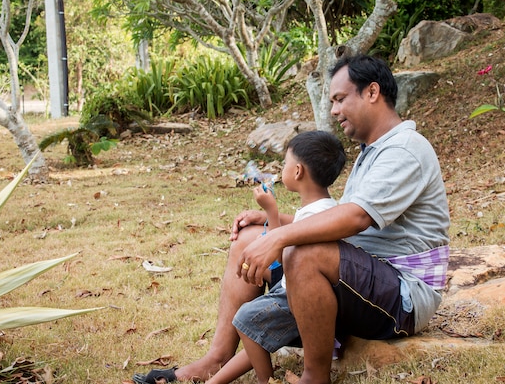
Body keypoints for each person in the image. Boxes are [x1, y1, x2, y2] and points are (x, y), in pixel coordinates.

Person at [133, 54, 450, 384]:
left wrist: (280, 236)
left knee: (301, 251)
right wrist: (274, 222)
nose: (334, 111)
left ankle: (315, 377)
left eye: (340, 99)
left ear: (372, 92)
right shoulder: (373, 150)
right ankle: (217, 357)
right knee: (250, 236)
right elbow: (334, 216)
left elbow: (356, 218)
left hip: (404, 295)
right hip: (367, 276)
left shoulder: (404, 149)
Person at [132, 130, 346, 384]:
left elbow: (279, 250)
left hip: (297, 298)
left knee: (245, 319)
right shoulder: (323, 208)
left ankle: (265, 379)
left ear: (298, 171)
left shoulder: (317, 215)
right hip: (294, 290)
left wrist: (271, 210)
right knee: (250, 326)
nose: (281, 169)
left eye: (285, 163)